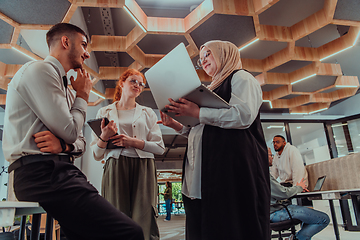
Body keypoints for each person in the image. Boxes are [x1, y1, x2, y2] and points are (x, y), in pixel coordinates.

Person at [3, 23, 144, 240]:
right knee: (130, 233)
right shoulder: (40, 70)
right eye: (84, 45)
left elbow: (79, 143)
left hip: (61, 172)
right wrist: (83, 97)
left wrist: (64, 146)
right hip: (41, 174)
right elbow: (71, 131)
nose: (87, 53)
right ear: (65, 42)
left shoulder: (69, 90)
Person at [159, 40, 270, 239]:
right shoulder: (210, 89)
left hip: (232, 171)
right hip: (204, 172)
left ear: (223, 53)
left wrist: (198, 112)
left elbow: (243, 116)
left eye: (208, 54)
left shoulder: (241, 77)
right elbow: (201, 130)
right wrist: (175, 124)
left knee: (230, 226)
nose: (204, 62)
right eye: (201, 60)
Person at [91, 69, 165, 240]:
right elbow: (96, 154)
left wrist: (131, 142)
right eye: (133, 81)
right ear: (122, 83)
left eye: (141, 84)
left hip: (144, 166)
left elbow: (160, 147)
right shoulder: (105, 112)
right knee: (115, 213)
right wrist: (104, 136)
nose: (138, 85)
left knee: (145, 216)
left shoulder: (147, 113)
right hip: (115, 165)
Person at [268, 148, 330, 240]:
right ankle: (297, 238)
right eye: (270, 155)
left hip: (271, 210)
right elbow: (283, 193)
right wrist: (299, 187)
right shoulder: (264, 175)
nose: (272, 158)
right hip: (276, 212)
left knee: (310, 217)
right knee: (323, 219)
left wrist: (295, 189)